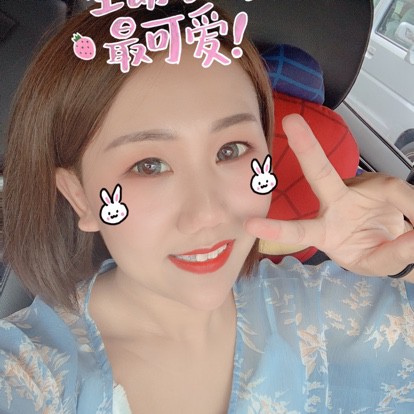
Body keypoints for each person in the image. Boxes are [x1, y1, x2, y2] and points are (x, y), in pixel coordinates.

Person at [1, 1, 414, 413]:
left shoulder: (315, 311)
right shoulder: (30, 373)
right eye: (149, 166)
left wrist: (406, 260)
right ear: (80, 197)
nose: (208, 214)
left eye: (231, 149)